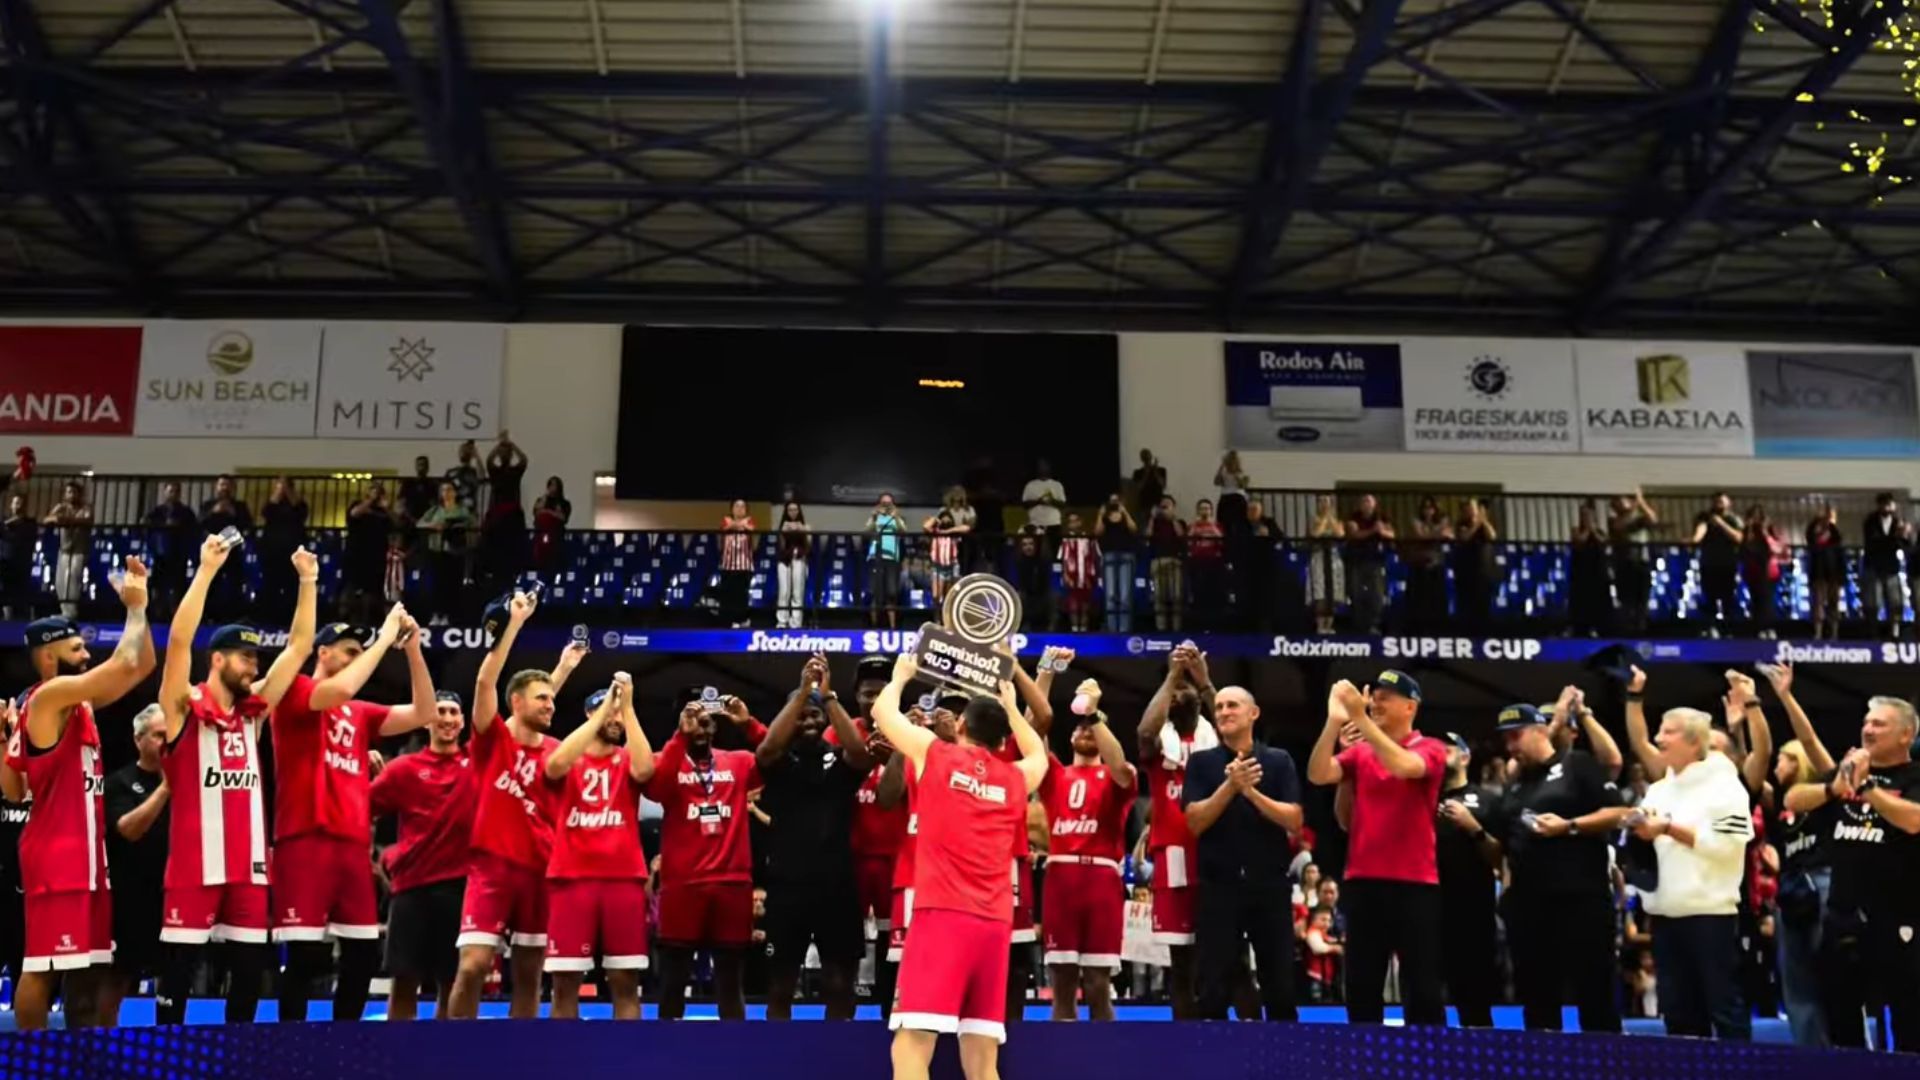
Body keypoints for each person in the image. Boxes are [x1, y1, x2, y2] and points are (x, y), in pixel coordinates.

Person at [155, 536, 316, 1024]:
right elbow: (178, 642)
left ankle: (234, 1057)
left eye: (256, 660)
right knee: (177, 977)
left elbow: (299, 647)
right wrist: (206, 570)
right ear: (218, 660)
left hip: (248, 867)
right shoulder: (182, 707)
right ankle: (169, 1056)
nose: (254, 667)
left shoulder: (254, 714)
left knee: (248, 977)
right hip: (193, 866)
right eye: (246, 658)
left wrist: (308, 581)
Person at [873, 652, 1046, 1080]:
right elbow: (1038, 753)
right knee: (982, 1058)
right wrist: (1012, 707)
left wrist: (901, 676)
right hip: (994, 926)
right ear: (1002, 742)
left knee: (911, 1045)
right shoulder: (1015, 777)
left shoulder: (936, 754)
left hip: (941, 917)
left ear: (962, 725)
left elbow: (882, 713)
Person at [0, 566, 156, 1030]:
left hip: (87, 855)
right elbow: (124, 665)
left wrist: (143, 608)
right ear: (48, 656)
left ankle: (79, 1052)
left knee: (85, 967)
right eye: (77, 649)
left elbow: (142, 666)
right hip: (59, 856)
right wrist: (133, 609)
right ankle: (32, 1054)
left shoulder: (77, 704)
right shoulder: (50, 698)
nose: (87, 655)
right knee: (42, 967)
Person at [270, 613, 439, 1023]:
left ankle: (344, 1042)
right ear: (323, 653)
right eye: (349, 651)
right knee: (305, 956)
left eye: (359, 653)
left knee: (362, 954)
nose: (356, 659)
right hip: (304, 838)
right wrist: (383, 638)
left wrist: (413, 650)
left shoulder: (359, 713)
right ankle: (292, 1044)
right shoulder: (295, 688)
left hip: (352, 845)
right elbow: (343, 687)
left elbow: (425, 712)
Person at [445, 591, 575, 1020]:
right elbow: (486, 683)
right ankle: (456, 1049)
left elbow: (540, 699)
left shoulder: (557, 751)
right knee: (473, 966)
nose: (551, 705)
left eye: (553, 698)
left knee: (529, 974)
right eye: (542, 699)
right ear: (516, 703)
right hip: (491, 870)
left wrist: (563, 670)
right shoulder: (492, 741)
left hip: (540, 872)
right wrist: (515, 623)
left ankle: (522, 1052)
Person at [1479, 700, 1630, 1032]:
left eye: (1516, 736)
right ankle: (1542, 1058)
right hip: (1528, 905)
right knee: (1537, 996)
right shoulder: (1515, 784)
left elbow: (1619, 813)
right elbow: (1502, 846)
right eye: (1506, 739)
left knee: (1594, 991)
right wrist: (1475, 833)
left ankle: (1605, 1057)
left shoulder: (1577, 764)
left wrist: (1569, 825)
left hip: (1580, 899)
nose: (1510, 746)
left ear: (1540, 731)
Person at [1308, 671, 1447, 1025]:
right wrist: (1334, 721)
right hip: (1363, 880)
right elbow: (1318, 774)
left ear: (1410, 706)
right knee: (1361, 983)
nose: (1375, 703)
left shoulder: (1430, 747)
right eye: (1374, 696)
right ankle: (1364, 1053)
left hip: (1415, 884)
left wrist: (1360, 719)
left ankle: (1427, 1053)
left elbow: (1404, 767)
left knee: (1422, 986)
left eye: (1386, 697)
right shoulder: (1361, 752)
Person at [1784, 693, 1920, 1052]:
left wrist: (1866, 789)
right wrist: (1833, 788)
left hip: (1899, 918)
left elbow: (1914, 820)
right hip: (1842, 915)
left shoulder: (1914, 776)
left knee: (1908, 1019)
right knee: (1841, 1019)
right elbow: (1793, 799)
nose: (1868, 729)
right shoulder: (1848, 773)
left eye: (1879, 724)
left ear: (1906, 735)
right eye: (1866, 722)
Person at [755, 655, 873, 1020]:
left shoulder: (839, 760)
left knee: (839, 983)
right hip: (787, 887)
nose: (808, 721)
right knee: (781, 985)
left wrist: (828, 696)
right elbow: (766, 749)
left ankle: (837, 1051)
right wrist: (803, 691)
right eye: (802, 716)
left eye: (815, 715)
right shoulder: (779, 762)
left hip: (837, 886)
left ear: (825, 720)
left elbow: (860, 753)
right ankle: (780, 1053)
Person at [1633, 694, 1757, 1040]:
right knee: (1677, 1011)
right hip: (1664, 914)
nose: (1658, 738)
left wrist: (1667, 828)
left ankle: (1739, 1066)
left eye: (1668, 732)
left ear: (1692, 742)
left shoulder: (1726, 785)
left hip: (1710, 915)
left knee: (1724, 1006)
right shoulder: (1658, 790)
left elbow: (1728, 846)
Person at [1182, 685, 1301, 1021]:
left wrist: (1250, 793)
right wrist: (1230, 786)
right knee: (1212, 986)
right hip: (1218, 887)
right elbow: (1194, 822)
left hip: (1270, 885)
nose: (1223, 712)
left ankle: (1283, 1050)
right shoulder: (1201, 763)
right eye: (1219, 707)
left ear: (1253, 713)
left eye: (1232, 705)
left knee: (1280, 986)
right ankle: (1214, 1053)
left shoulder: (1278, 761)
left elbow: (1294, 819)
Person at [541, 677, 655, 1020]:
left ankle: (627, 1053)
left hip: (623, 880)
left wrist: (627, 707)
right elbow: (553, 767)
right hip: (571, 880)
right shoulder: (568, 756)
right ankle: (564, 1053)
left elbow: (645, 771)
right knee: (565, 984)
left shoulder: (628, 757)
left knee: (625, 981)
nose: (616, 719)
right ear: (591, 714)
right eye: (610, 713)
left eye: (620, 714)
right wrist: (606, 708)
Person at [646, 692, 763, 1021]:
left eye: (707, 721)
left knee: (730, 981)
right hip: (682, 887)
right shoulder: (666, 759)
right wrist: (678, 737)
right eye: (693, 721)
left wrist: (750, 725)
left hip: (732, 885)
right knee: (673, 981)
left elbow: (778, 759)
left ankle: (735, 1048)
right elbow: (656, 788)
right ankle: (667, 1049)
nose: (701, 727)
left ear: (716, 727)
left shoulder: (739, 761)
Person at [368, 689, 475, 1021]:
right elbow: (360, 809)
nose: (447, 718)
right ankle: (400, 1050)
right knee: (404, 981)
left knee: (452, 982)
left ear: (463, 721)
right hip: (411, 889)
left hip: (461, 889)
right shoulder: (403, 769)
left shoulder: (478, 765)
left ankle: (447, 1050)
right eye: (439, 711)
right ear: (427, 719)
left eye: (453, 712)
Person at [1037, 682, 1136, 1021]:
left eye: (1092, 727)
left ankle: (1104, 1053)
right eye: (1079, 727)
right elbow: (1035, 730)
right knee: (1062, 983)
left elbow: (1120, 766)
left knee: (1098, 984)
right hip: (1061, 878)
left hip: (1101, 880)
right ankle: (1062, 1052)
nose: (1085, 731)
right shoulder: (1054, 774)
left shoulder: (1116, 775)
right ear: (1069, 737)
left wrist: (1093, 714)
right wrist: (1044, 675)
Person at [1754, 661, 1836, 1047]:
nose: (1776, 764)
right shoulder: (1777, 801)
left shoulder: (1828, 790)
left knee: (1831, 976)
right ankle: (1811, 1056)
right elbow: (1751, 765)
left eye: (1784, 759)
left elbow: (1811, 741)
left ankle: (1846, 1053)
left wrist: (1786, 698)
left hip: (1824, 884)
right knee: (1796, 982)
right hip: (1789, 890)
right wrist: (1745, 716)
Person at [1135, 643, 1216, 1018]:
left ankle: (1225, 1034)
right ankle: (1186, 1038)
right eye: (1175, 689)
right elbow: (1144, 732)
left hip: (1214, 852)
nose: (1183, 692)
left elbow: (1236, 728)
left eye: (1187, 687)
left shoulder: (1214, 742)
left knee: (1224, 959)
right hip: (1175, 856)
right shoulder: (1159, 745)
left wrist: (1205, 682)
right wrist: (1172, 676)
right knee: (1182, 963)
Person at [103, 705, 175, 1026]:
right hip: (129, 899)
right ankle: (104, 1042)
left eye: (169, 736)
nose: (166, 743)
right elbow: (128, 830)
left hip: (173, 897)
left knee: (173, 978)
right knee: (116, 979)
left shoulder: (189, 781)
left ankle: (170, 1039)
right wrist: (165, 788)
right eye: (158, 735)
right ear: (138, 739)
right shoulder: (118, 782)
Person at [1431, 732, 1501, 1028]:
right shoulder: (1421, 799)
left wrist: (1473, 827)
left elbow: (1500, 858)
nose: (1441, 751)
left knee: (1475, 1003)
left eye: (1448, 747)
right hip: (1428, 913)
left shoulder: (1488, 801)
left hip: (1473, 914)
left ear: (1465, 756)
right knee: (1426, 1001)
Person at [418, 481, 476, 626]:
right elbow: (420, 524)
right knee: (437, 584)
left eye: (449, 490)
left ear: (455, 493)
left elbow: (473, 525)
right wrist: (434, 526)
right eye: (443, 490)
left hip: (455, 552)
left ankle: (449, 615)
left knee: (452, 585)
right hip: (437, 550)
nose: (447, 493)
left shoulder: (462, 510)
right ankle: (436, 614)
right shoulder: (435, 510)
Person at [0, 700, 27, 996]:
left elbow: (21, 793)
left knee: (26, 970)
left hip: (33, 884)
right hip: (4, 877)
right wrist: (3, 737)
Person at [1691, 493, 1744, 637]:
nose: (1719, 504)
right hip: (1709, 563)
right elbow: (1699, 534)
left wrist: (1721, 524)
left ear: (1728, 503)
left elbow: (1739, 538)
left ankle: (1728, 630)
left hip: (1727, 564)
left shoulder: (1733, 519)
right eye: (1716, 501)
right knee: (1709, 597)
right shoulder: (1705, 517)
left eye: (1722, 501)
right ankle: (1711, 628)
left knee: (1728, 598)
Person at [1609, 487, 1658, 635]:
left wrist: (1641, 503)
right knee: (1626, 599)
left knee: (1642, 597)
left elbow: (1653, 519)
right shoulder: (1614, 518)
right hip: (1624, 564)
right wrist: (1634, 507)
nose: (1623, 503)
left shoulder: (1639, 518)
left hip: (1641, 562)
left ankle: (1641, 627)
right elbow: (1619, 527)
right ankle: (1627, 628)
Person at [259, 476, 309, 622]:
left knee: (291, 585)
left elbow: (300, 511)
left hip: (293, 550)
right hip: (273, 550)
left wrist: (288, 490)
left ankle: (290, 616)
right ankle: (268, 616)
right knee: (271, 583)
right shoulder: (272, 505)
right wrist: (279, 491)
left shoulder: (299, 504)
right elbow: (266, 512)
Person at [144, 483, 198, 618]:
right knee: (158, 585)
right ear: (165, 493)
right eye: (170, 491)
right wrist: (164, 525)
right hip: (160, 553)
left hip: (179, 553)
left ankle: (177, 613)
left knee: (178, 586)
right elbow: (148, 524)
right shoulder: (157, 511)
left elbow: (193, 528)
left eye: (175, 491)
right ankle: (158, 613)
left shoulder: (186, 512)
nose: (172, 494)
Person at [344, 484, 396, 623]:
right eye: (373, 491)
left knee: (373, 591)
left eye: (378, 492)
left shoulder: (383, 511)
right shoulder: (358, 504)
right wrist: (370, 500)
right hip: (357, 554)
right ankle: (351, 618)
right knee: (355, 588)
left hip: (376, 556)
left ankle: (372, 619)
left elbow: (396, 523)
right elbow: (354, 513)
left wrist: (387, 508)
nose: (376, 494)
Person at [1344, 495, 1393, 635]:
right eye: (1364, 502)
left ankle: (1374, 624)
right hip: (1356, 560)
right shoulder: (1354, 517)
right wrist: (1373, 531)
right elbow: (1354, 534)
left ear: (1374, 504)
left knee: (1376, 594)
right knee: (1356, 593)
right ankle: (1358, 625)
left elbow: (1391, 534)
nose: (1367, 504)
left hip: (1375, 561)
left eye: (1369, 502)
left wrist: (1382, 531)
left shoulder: (1381, 517)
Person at [1863, 492, 1909, 638]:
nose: (1887, 507)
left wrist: (1903, 535)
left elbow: (1904, 544)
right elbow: (1873, 542)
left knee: (1895, 602)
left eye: (1890, 504)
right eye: (1884, 504)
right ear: (1879, 505)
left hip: (1891, 567)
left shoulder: (1897, 522)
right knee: (1873, 603)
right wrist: (1894, 538)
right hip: (1874, 567)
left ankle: (1894, 632)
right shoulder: (1871, 521)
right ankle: (1873, 633)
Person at [43, 480, 91, 620]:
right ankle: (64, 611)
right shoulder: (62, 507)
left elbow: (87, 521)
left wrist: (64, 520)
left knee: (72, 581)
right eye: (69, 492)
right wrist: (57, 516)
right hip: (64, 550)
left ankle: (71, 612)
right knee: (60, 582)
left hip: (78, 550)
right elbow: (47, 519)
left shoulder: (85, 508)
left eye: (74, 492)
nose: (71, 495)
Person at [1404, 497, 1451, 631]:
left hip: (1436, 566)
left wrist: (1434, 534)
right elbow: (1421, 536)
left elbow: (1450, 535)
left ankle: (1437, 629)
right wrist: (1439, 532)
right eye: (1425, 507)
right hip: (1419, 566)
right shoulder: (1416, 521)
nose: (1428, 511)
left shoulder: (1441, 522)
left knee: (1437, 599)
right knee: (1419, 601)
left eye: (1431, 507)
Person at [1452, 498, 1498, 632]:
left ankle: (1483, 629)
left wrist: (1483, 521)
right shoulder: (1461, 524)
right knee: (1466, 604)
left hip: (1483, 571)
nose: (1472, 511)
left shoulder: (1483, 524)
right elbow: (1465, 537)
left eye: (1474, 507)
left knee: (1483, 602)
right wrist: (1477, 523)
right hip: (1466, 570)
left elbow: (1492, 536)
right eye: (1469, 508)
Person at [1093, 494, 1137, 633]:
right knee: (1110, 594)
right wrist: (1100, 515)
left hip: (1126, 556)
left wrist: (1125, 512)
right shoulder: (1105, 517)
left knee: (1125, 595)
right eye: (1112, 501)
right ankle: (1112, 629)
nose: (1114, 503)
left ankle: (1124, 629)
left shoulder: (1125, 515)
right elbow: (1097, 532)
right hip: (1109, 556)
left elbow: (1134, 529)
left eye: (1117, 500)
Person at [1740, 504, 1785, 639]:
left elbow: (1777, 549)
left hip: (1769, 572)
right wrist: (1749, 529)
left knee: (1767, 601)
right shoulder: (1748, 532)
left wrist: (1764, 532)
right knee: (1756, 601)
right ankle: (1758, 629)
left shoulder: (1771, 531)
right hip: (1753, 572)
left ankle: (1769, 628)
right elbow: (1745, 548)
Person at [1569, 501, 1611, 636]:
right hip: (1582, 573)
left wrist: (1593, 530)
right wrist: (1587, 530)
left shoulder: (1599, 531)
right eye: (1584, 515)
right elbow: (1579, 541)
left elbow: (1604, 542)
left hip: (1598, 572)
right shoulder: (1576, 530)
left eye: (1589, 515)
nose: (1587, 518)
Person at [1806, 504, 1846, 641]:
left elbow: (1840, 552)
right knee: (1818, 603)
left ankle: (1834, 633)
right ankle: (1818, 633)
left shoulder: (1835, 535)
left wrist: (1841, 577)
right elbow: (1810, 537)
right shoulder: (1814, 534)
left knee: (1833, 604)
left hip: (1833, 574)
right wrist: (1817, 520)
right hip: (1819, 574)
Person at [1147, 496, 1187, 632]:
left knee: (1176, 596)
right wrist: (1152, 518)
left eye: (1167, 505)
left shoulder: (1179, 522)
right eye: (1162, 506)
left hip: (1174, 561)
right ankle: (1161, 629)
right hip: (1157, 561)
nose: (1164, 508)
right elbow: (1147, 536)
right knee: (1159, 597)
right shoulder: (1155, 522)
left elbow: (1181, 535)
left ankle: (1176, 628)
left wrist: (1172, 518)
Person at [1307, 495, 1345, 635]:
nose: (1324, 504)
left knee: (1333, 592)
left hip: (1334, 558)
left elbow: (1340, 534)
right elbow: (1316, 533)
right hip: (1319, 557)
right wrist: (1324, 519)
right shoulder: (1314, 520)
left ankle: (1329, 625)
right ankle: (1320, 625)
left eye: (1327, 501)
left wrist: (1331, 519)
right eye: (1321, 501)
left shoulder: (1336, 521)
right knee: (1320, 591)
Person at [1186, 499, 1226, 631]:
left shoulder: (1217, 526)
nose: (1205, 511)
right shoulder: (1192, 526)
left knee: (1213, 594)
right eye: (1202, 508)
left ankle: (1214, 626)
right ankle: (1199, 626)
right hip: (1197, 562)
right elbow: (1188, 542)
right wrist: (1195, 526)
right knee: (1198, 593)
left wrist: (1211, 526)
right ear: (1198, 511)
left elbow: (1222, 541)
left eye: (1207, 508)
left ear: (1211, 511)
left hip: (1214, 562)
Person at [868, 493, 905, 630]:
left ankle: (892, 627)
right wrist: (874, 517)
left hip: (892, 557)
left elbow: (903, 531)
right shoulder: (875, 517)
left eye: (889, 503)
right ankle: (874, 626)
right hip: (876, 555)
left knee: (891, 592)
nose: (886, 506)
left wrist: (897, 516)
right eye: (883, 503)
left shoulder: (896, 517)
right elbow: (867, 530)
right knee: (875, 592)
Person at [1058, 513, 1099, 633]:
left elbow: (1095, 556)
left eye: (1076, 520)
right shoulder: (1066, 540)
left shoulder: (1089, 539)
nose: (1074, 524)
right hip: (1072, 575)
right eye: (1071, 521)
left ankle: (1084, 629)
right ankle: (1075, 629)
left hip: (1087, 576)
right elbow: (1063, 559)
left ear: (1081, 522)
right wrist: (1065, 574)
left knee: (1086, 604)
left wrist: (1094, 575)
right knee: (1073, 604)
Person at [718, 498, 756, 628]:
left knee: (741, 593)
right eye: (737, 506)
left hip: (744, 564)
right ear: (732, 509)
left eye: (742, 507)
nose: (739, 509)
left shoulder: (749, 519)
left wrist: (736, 525)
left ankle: (742, 619)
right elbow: (725, 527)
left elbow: (751, 528)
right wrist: (739, 525)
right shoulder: (726, 519)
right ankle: (730, 620)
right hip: (728, 564)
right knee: (729, 593)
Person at [531, 477, 571, 577]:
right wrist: (544, 499)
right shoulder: (542, 500)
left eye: (555, 485)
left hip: (556, 538)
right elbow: (537, 512)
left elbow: (563, 517)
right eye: (551, 485)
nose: (552, 488)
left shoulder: (564, 503)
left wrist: (549, 512)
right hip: (540, 536)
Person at [1022, 459, 1065, 544]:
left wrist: (1051, 501)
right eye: (1041, 466)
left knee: (1055, 548)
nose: (1043, 468)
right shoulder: (1030, 485)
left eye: (1045, 465)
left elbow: (1063, 504)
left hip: (1054, 523)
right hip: (1035, 523)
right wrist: (1039, 501)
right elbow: (1025, 505)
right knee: (1037, 548)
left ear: (1049, 467)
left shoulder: (1057, 485)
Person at [485, 432, 528, 517]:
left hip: (510, 511)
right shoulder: (496, 472)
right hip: (499, 510)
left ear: (511, 455)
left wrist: (509, 444)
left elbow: (524, 460)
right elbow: (489, 460)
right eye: (502, 452)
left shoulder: (514, 471)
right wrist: (504, 444)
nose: (504, 454)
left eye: (506, 452)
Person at [1213, 452, 1249, 534]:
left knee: (1238, 523)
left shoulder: (1241, 472)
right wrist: (1221, 468)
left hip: (1237, 497)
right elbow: (1216, 482)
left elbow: (1243, 485)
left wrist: (1235, 474)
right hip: (1225, 497)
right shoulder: (1223, 471)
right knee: (1224, 523)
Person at [446, 440, 485, 511]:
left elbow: (482, 476)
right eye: (462, 450)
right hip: (454, 511)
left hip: (469, 511)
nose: (464, 452)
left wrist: (476, 455)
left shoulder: (474, 472)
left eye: (466, 450)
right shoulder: (451, 472)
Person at [399, 455, 437, 526]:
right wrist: (411, 518)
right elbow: (401, 503)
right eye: (419, 464)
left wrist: (426, 519)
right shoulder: (408, 483)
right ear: (416, 466)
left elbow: (434, 505)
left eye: (424, 465)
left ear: (427, 467)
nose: (421, 467)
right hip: (409, 521)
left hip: (426, 521)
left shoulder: (432, 484)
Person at [1131, 449, 1167, 520]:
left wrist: (1155, 470)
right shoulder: (1137, 473)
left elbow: (1163, 485)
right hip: (1144, 505)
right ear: (1142, 459)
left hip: (1158, 503)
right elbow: (1138, 488)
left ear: (1151, 457)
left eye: (1148, 456)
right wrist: (1146, 473)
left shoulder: (1161, 470)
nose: (1147, 459)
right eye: (1144, 457)